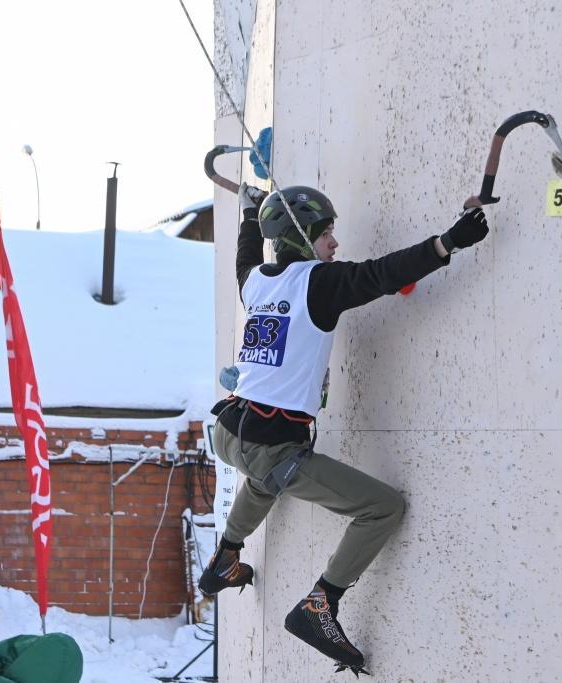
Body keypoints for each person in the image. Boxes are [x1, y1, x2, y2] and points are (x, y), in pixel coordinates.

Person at [200, 183, 489, 675]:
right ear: (299, 237)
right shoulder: (319, 282)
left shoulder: (256, 283)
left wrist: (249, 214)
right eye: (325, 232)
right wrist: (447, 243)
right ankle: (321, 605)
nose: (335, 242)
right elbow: (381, 275)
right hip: (270, 444)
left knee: (265, 476)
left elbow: (244, 256)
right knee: (382, 507)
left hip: (230, 434)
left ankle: (225, 559)